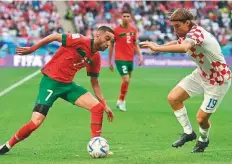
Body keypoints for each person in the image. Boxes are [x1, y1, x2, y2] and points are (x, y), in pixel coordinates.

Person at [0, 26, 115, 155]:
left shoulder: (96, 58)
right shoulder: (79, 40)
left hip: (67, 85)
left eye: (112, 41)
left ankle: (96, 144)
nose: (109, 43)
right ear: (98, 35)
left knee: (97, 108)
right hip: (51, 83)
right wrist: (32, 49)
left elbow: (95, 83)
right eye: (107, 38)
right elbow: (53, 36)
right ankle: (7, 145)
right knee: (35, 122)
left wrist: (105, 105)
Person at [140, 8, 231, 153]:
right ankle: (189, 133)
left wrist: (158, 47)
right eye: (173, 26)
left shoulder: (196, 33)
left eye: (177, 26)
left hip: (218, 80)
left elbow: (184, 47)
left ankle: (203, 139)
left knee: (201, 119)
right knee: (173, 98)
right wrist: (158, 47)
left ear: (187, 22)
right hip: (201, 74)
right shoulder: (186, 33)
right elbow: (178, 41)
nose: (175, 30)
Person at [108, 9, 143, 112]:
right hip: (120, 59)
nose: (126, 18)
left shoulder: (133, 30)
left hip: (130, 59)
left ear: (130, 17)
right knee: (126, 80)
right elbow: (111, 45)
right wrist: (110, 61)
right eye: (124, 16)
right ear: (121, 17)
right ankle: (122, 102)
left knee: (127, 82)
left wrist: (140, 56)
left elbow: (135, 44)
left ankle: (120, 100)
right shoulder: (115, 30)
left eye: (128, 16)